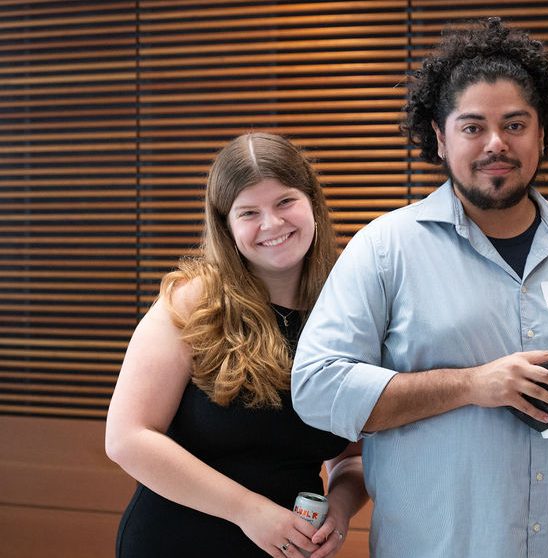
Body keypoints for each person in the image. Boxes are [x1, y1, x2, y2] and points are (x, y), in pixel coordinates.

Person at [291, 17, 548, 558]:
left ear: (542, 134)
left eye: (515, 124)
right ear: (440, 138)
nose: (496, 144)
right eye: (472, 127)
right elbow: (317, 388)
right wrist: (471, 385)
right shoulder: (385, 248)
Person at [105, 132, 367, 558]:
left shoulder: (350, 306)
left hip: (289, 548)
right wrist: (250, 511)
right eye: (249, 212)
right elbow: (127, 439)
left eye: (285, 202)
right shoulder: (193, 301)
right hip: (177, 542)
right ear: (226, 225)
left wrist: (339, 510)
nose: (272, 224)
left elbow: (353, 457)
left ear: (312, 203)